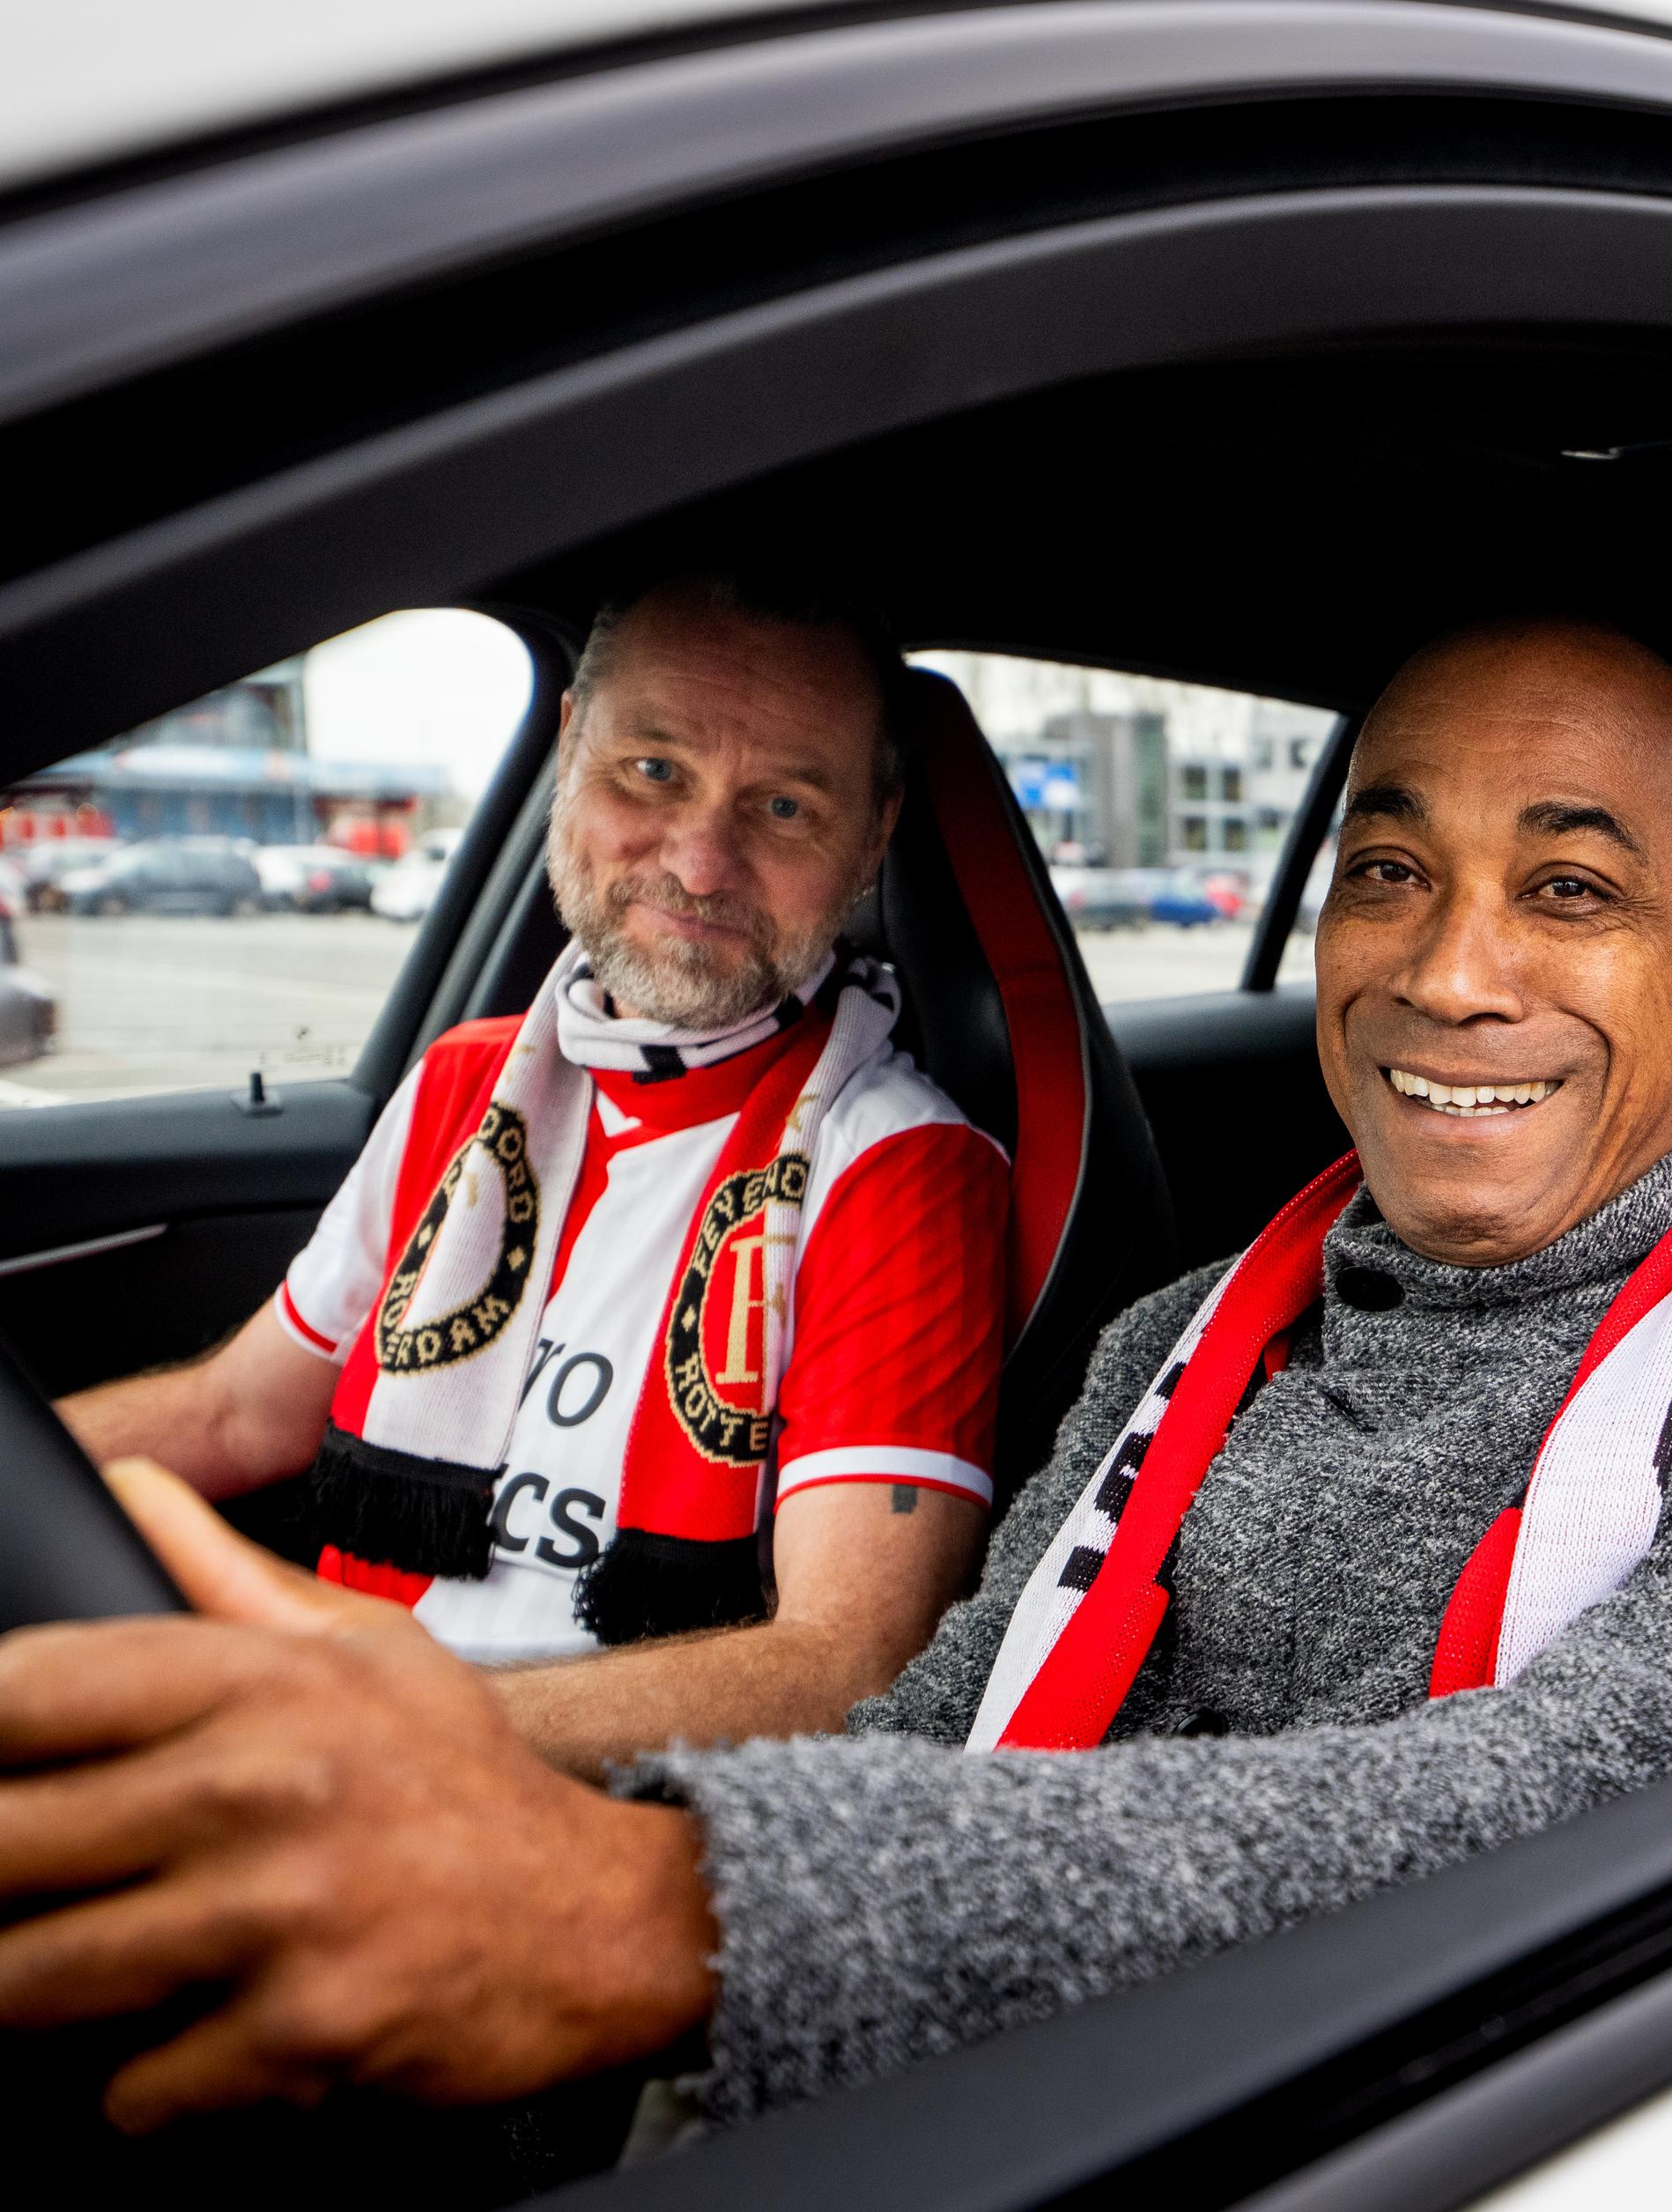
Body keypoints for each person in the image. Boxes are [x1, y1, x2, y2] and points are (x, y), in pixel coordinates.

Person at [0, 620, 1672, 2212]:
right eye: (1387, 869)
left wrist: (650, 1902)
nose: (1451, 971)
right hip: (959, 2162)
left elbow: (1521, 1830)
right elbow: (925, 1740)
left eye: (1568, 891)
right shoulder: (1175, 1337)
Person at [58, 573, 1010, 1772]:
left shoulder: (901, 1168)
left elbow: (845, 1660)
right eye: (654, 772)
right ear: (571, 745)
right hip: (332, 1715)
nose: (703, 865)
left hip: (559, 1808)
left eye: (782, 806)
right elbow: (238, 1410)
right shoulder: (466, 1084)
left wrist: (361, 1733)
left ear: (872, 837)